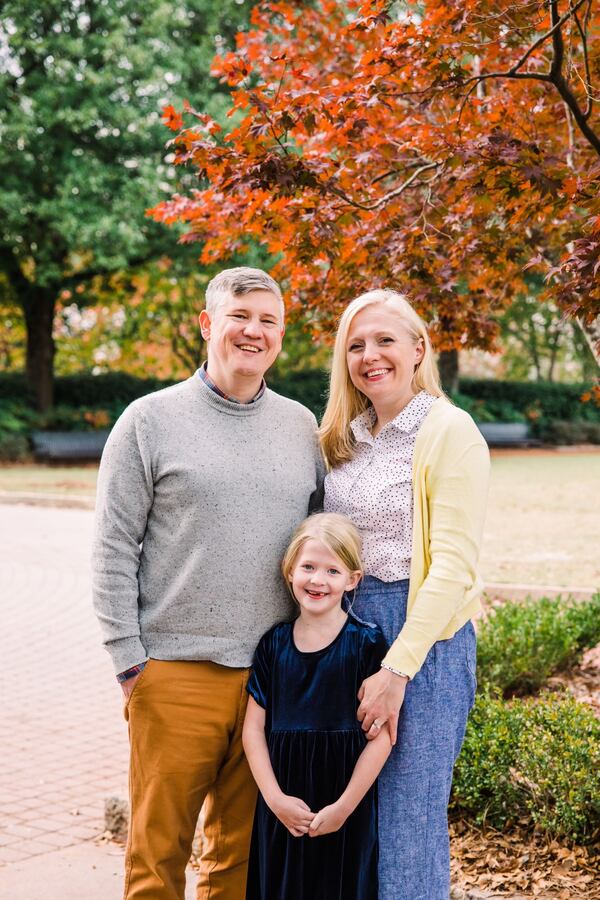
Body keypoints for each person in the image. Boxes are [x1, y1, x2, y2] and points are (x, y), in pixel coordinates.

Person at [92, 267, 325, 900]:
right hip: (173, 673)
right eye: (240, 317)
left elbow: (321, 546)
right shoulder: (148, 421)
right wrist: (130, 664)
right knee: (155, 858)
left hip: (272, 679)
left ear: (281, 333)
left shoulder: (303, 428)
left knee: (240, 862)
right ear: (207, 325)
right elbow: (113, 547)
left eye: (268, 321)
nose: (254, 331)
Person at [320, 289, 490, 900]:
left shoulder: (450, 431)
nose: (370, 355)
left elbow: (452, 566)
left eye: (385, 340)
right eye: (356, 345)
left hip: (421, 641)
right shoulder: (345, 435)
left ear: (419, 350)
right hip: (344, 631)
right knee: (346, 815)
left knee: (406, 820)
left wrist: (396, 669)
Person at [242, 512, 391, 900]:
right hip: (283, 805)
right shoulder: (273, 645)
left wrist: (343, 807)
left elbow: (383, 738)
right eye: (307, 567)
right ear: (290, 570)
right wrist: (275, 800)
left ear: (352, 580)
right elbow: (253, 730)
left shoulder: (367, 645)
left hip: (344, 803)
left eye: (332, 570)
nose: (318, 580)